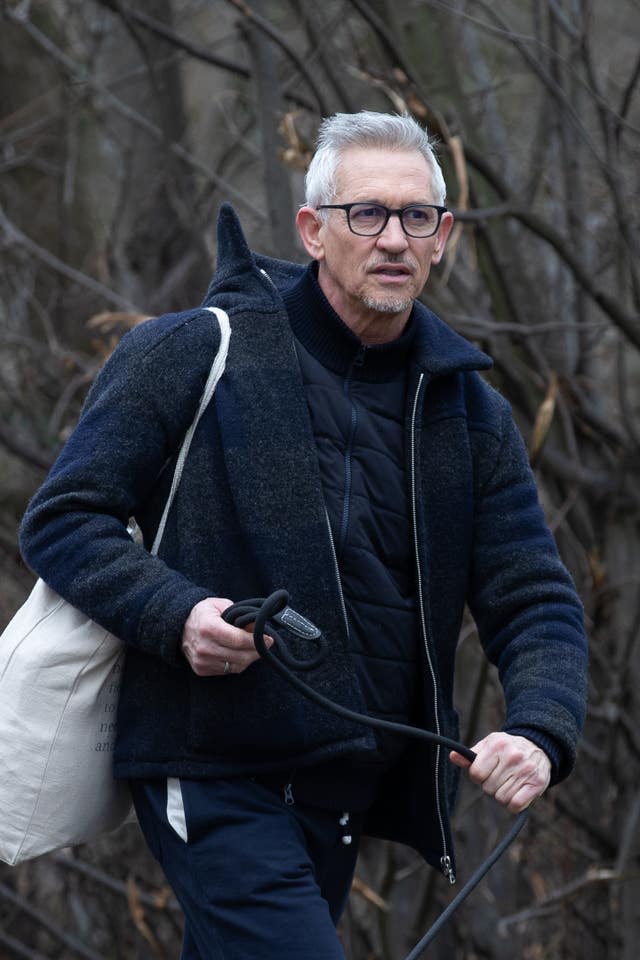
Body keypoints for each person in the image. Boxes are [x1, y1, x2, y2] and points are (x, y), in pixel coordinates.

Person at [20, 112, 588, 959]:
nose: (393, 238)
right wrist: (177, 615)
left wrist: (541, 729)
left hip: (346, 789)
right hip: (212, 766)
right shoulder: (191, 351)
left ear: (443, 239)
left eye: (416, 217)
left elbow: (533, 595)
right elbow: (65, 520)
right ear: (313, 230)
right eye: (367, 214)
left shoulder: (471, 414)